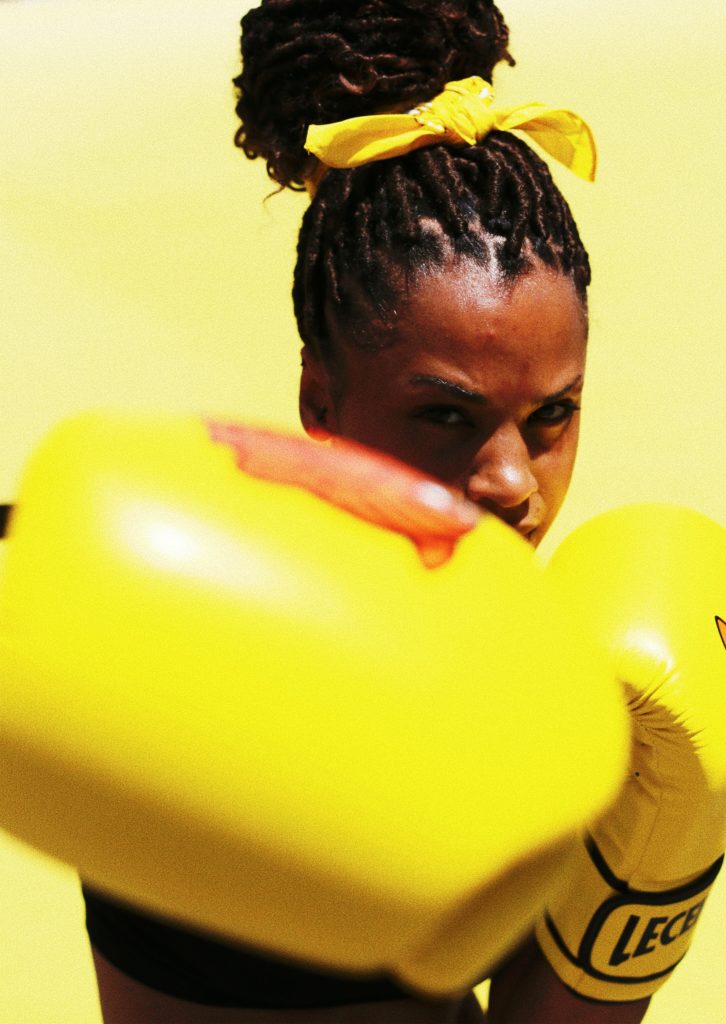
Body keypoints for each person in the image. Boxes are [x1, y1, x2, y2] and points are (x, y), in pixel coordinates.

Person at [83, 1, 651, 1021]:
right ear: (319, 401)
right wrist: (653, 886)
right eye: (444, 413)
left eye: (553, 414)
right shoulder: (255, 675)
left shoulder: (486, 648)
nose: (512, 481)